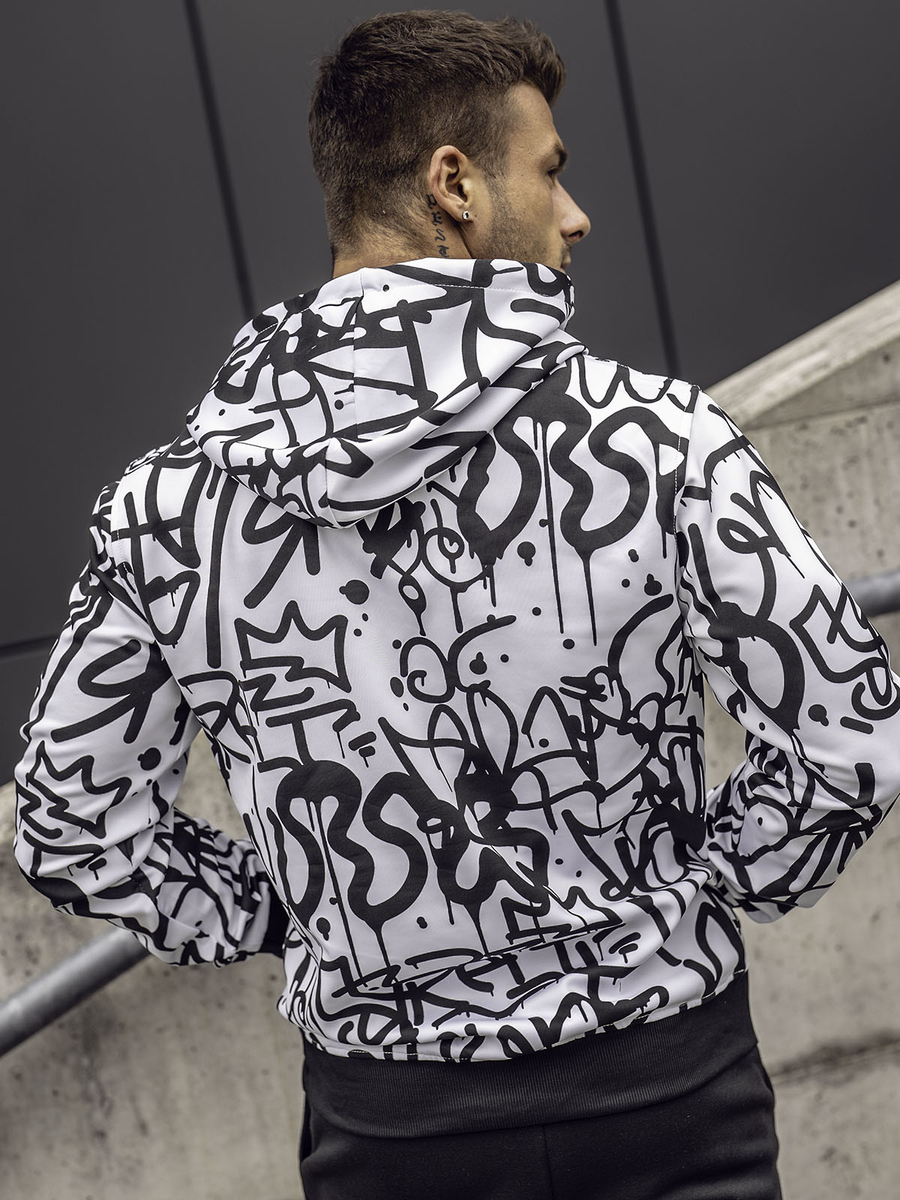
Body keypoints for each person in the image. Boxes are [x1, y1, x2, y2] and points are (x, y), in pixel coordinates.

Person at [13, 11, 900, 1199]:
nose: (575, 214)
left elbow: (70, 821)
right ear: (455, 185)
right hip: (668, 1095)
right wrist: (711, 883)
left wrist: (288, 914)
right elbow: (846, 733)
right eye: (550, 171)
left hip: (393, 1131)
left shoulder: (171, 510)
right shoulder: (656, 441)